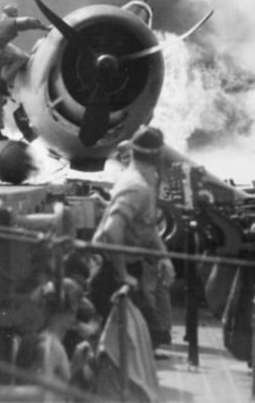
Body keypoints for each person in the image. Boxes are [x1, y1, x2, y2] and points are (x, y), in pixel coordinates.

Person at [90, 126, 175, 349]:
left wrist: (163, 257)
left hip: (128, 265)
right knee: (147, 335)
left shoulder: (146, 181)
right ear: (159, 156)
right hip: (111, 270)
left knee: (151, 334)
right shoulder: (137, 187)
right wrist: (122, 274)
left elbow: (148, 226)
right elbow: (111, 230)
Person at [0, 3, 49, 140]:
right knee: (20, 58)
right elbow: (28, 21)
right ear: (13, 13)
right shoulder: (11, 21)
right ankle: (4, 82)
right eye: (16, 11)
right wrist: (45, 27)